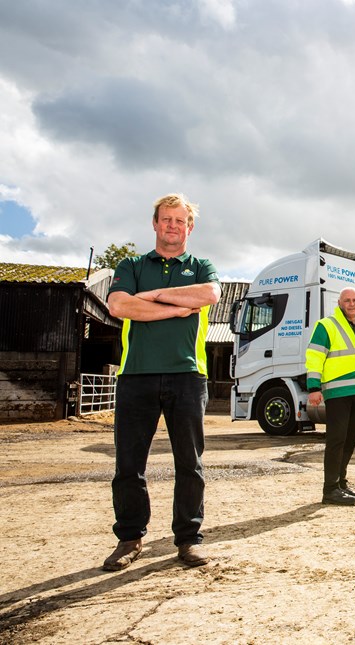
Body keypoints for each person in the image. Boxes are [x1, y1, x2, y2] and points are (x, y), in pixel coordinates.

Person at [102, 193, 221, 571]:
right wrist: (177, 307)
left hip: (187, 375)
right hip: (136, 375)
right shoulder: (132, 264)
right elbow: (119, 305)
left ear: (190, 226)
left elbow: (209, 294)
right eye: (166, 219)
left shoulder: (201, 266)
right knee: (128, 465)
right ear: (155, 224)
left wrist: (152, 297)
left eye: (180, 220)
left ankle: (188, 540)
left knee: (190, 463)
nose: (172, 225)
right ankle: (130, 538)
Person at [306, 287, 355, 505]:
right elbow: (314, 357)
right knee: (337, 440)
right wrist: (313, 387)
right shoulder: (327, 325)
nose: (351, 304)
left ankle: (341, 484)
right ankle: (330, 489)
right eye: (347, 300)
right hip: (337, 392)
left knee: (350, 440)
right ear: (340, 303)